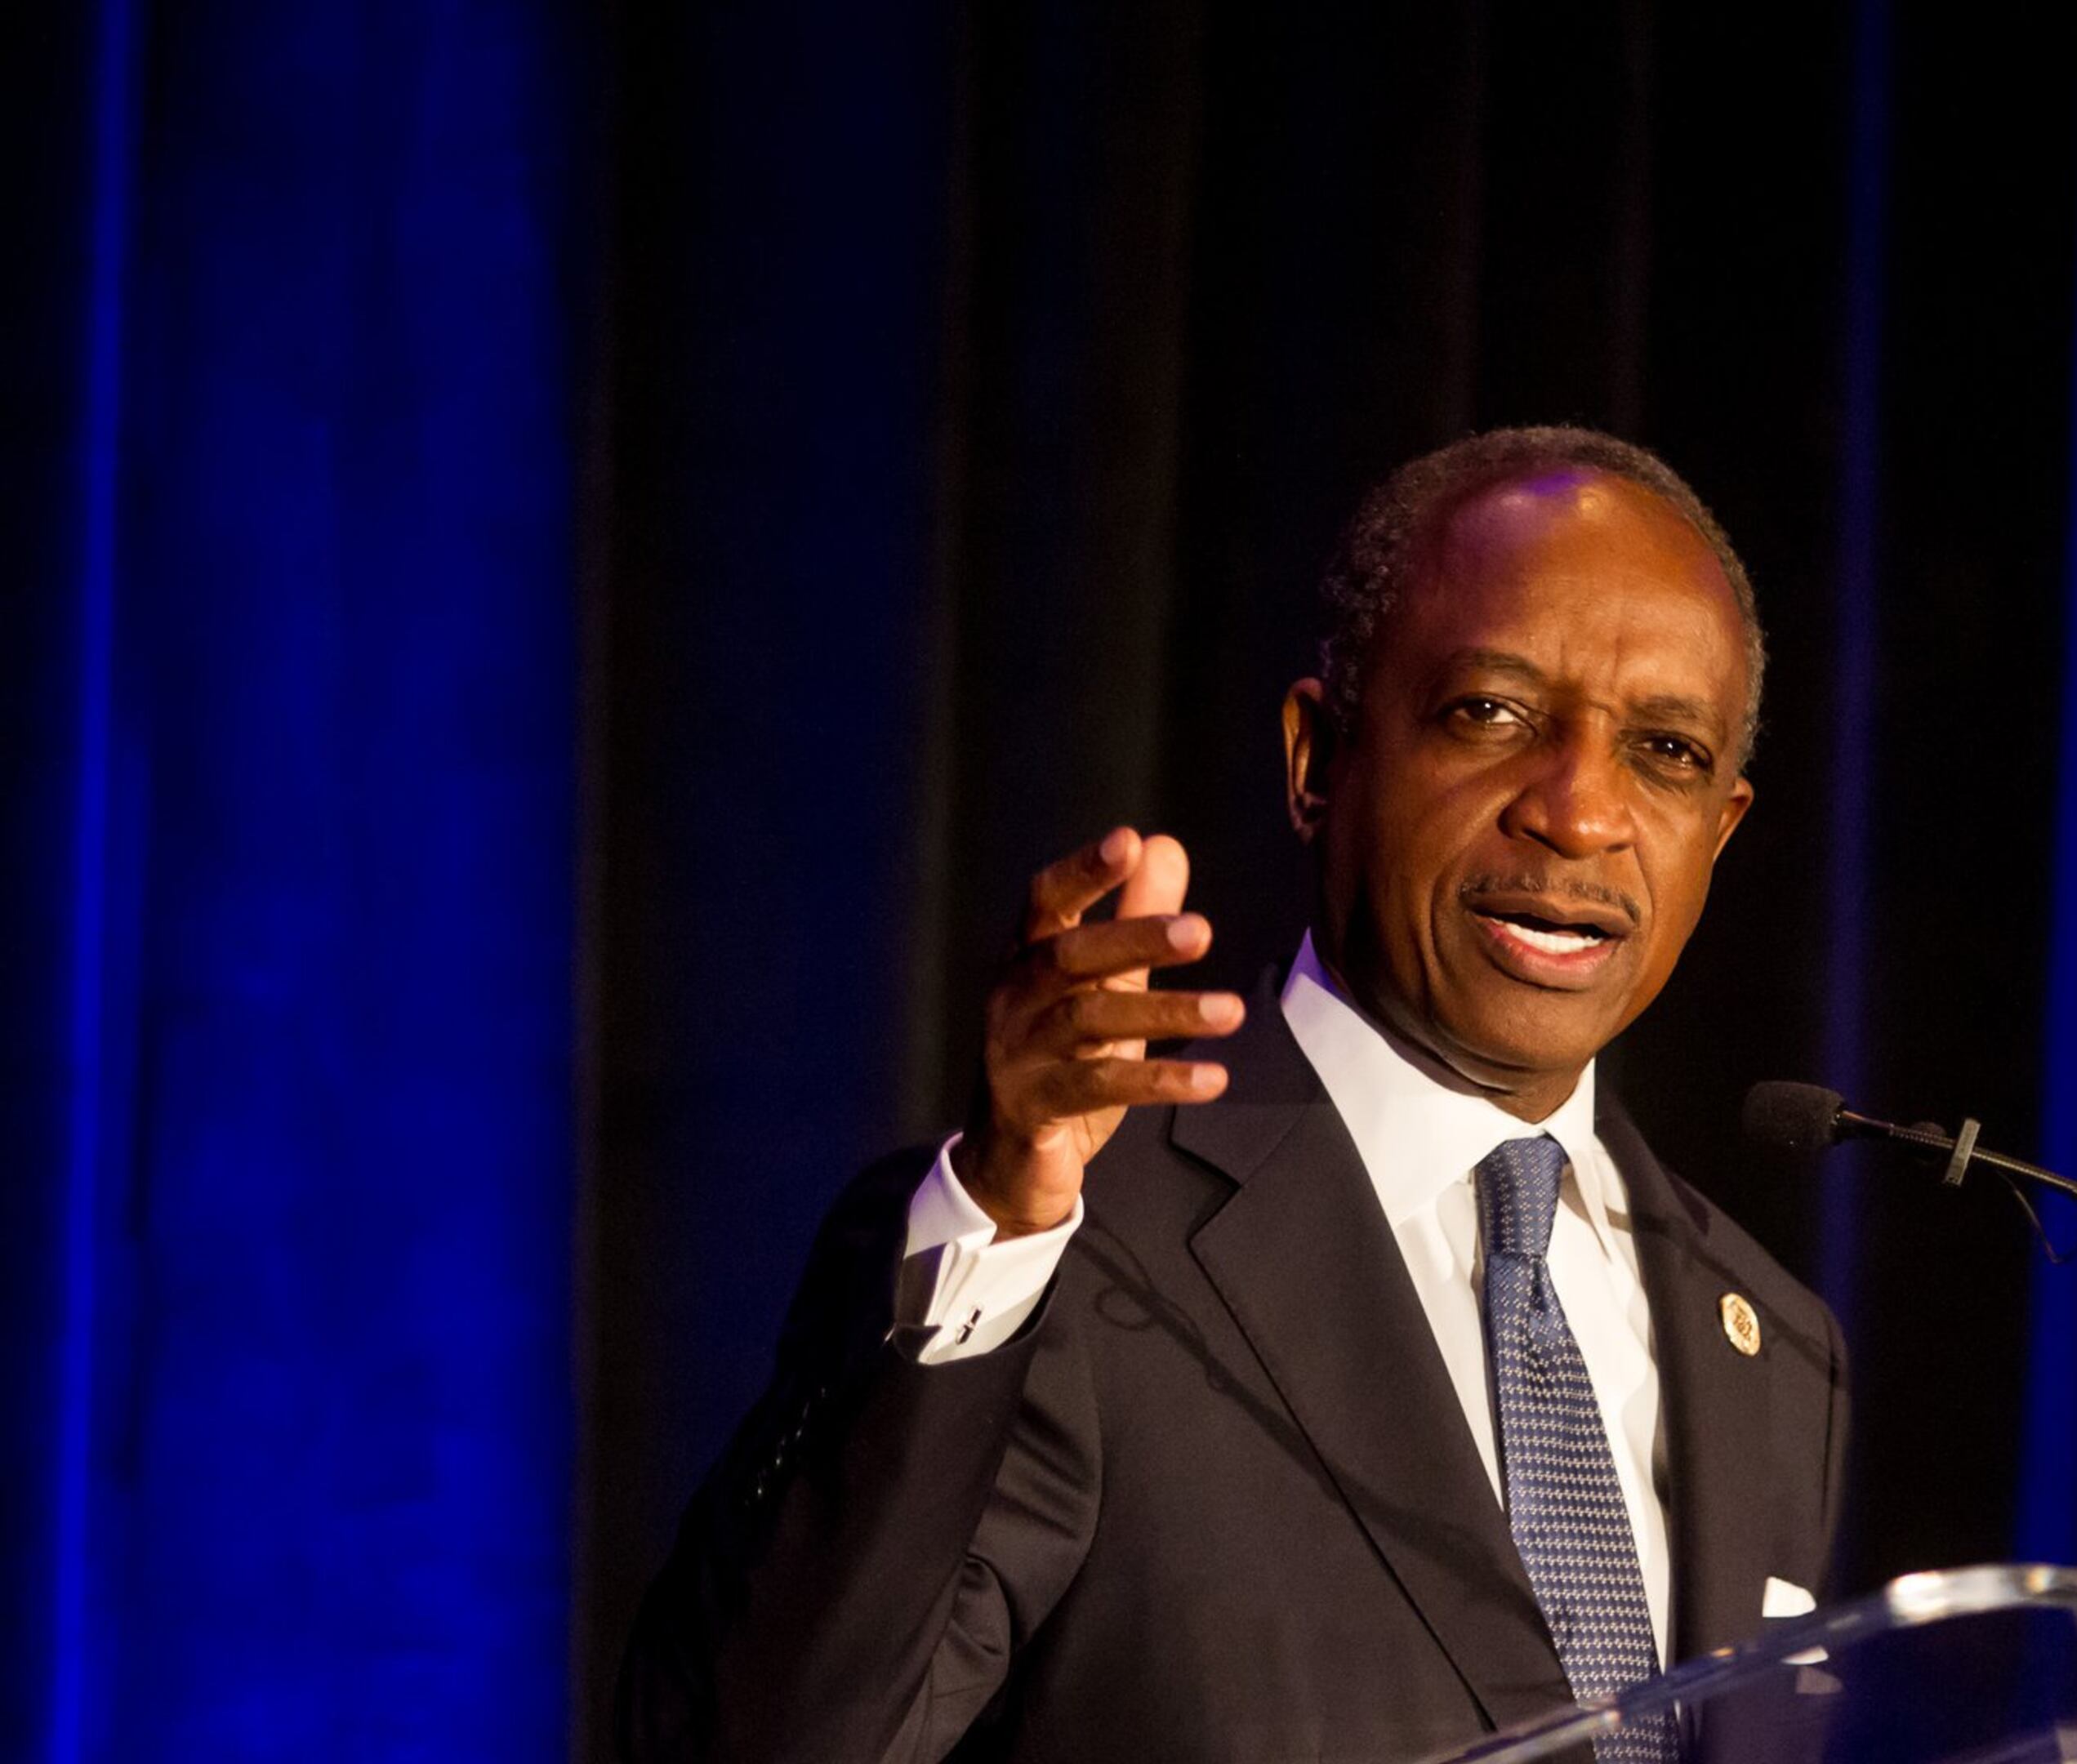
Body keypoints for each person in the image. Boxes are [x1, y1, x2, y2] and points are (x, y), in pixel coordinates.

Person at [618, 426, 1848, 1763]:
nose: (1580, 812)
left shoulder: (1776, 1351)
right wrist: (1003, 1213)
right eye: (1490, 714)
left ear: (1720, 829)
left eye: (1663, 752)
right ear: (1319, 757)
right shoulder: (1067, 1244)